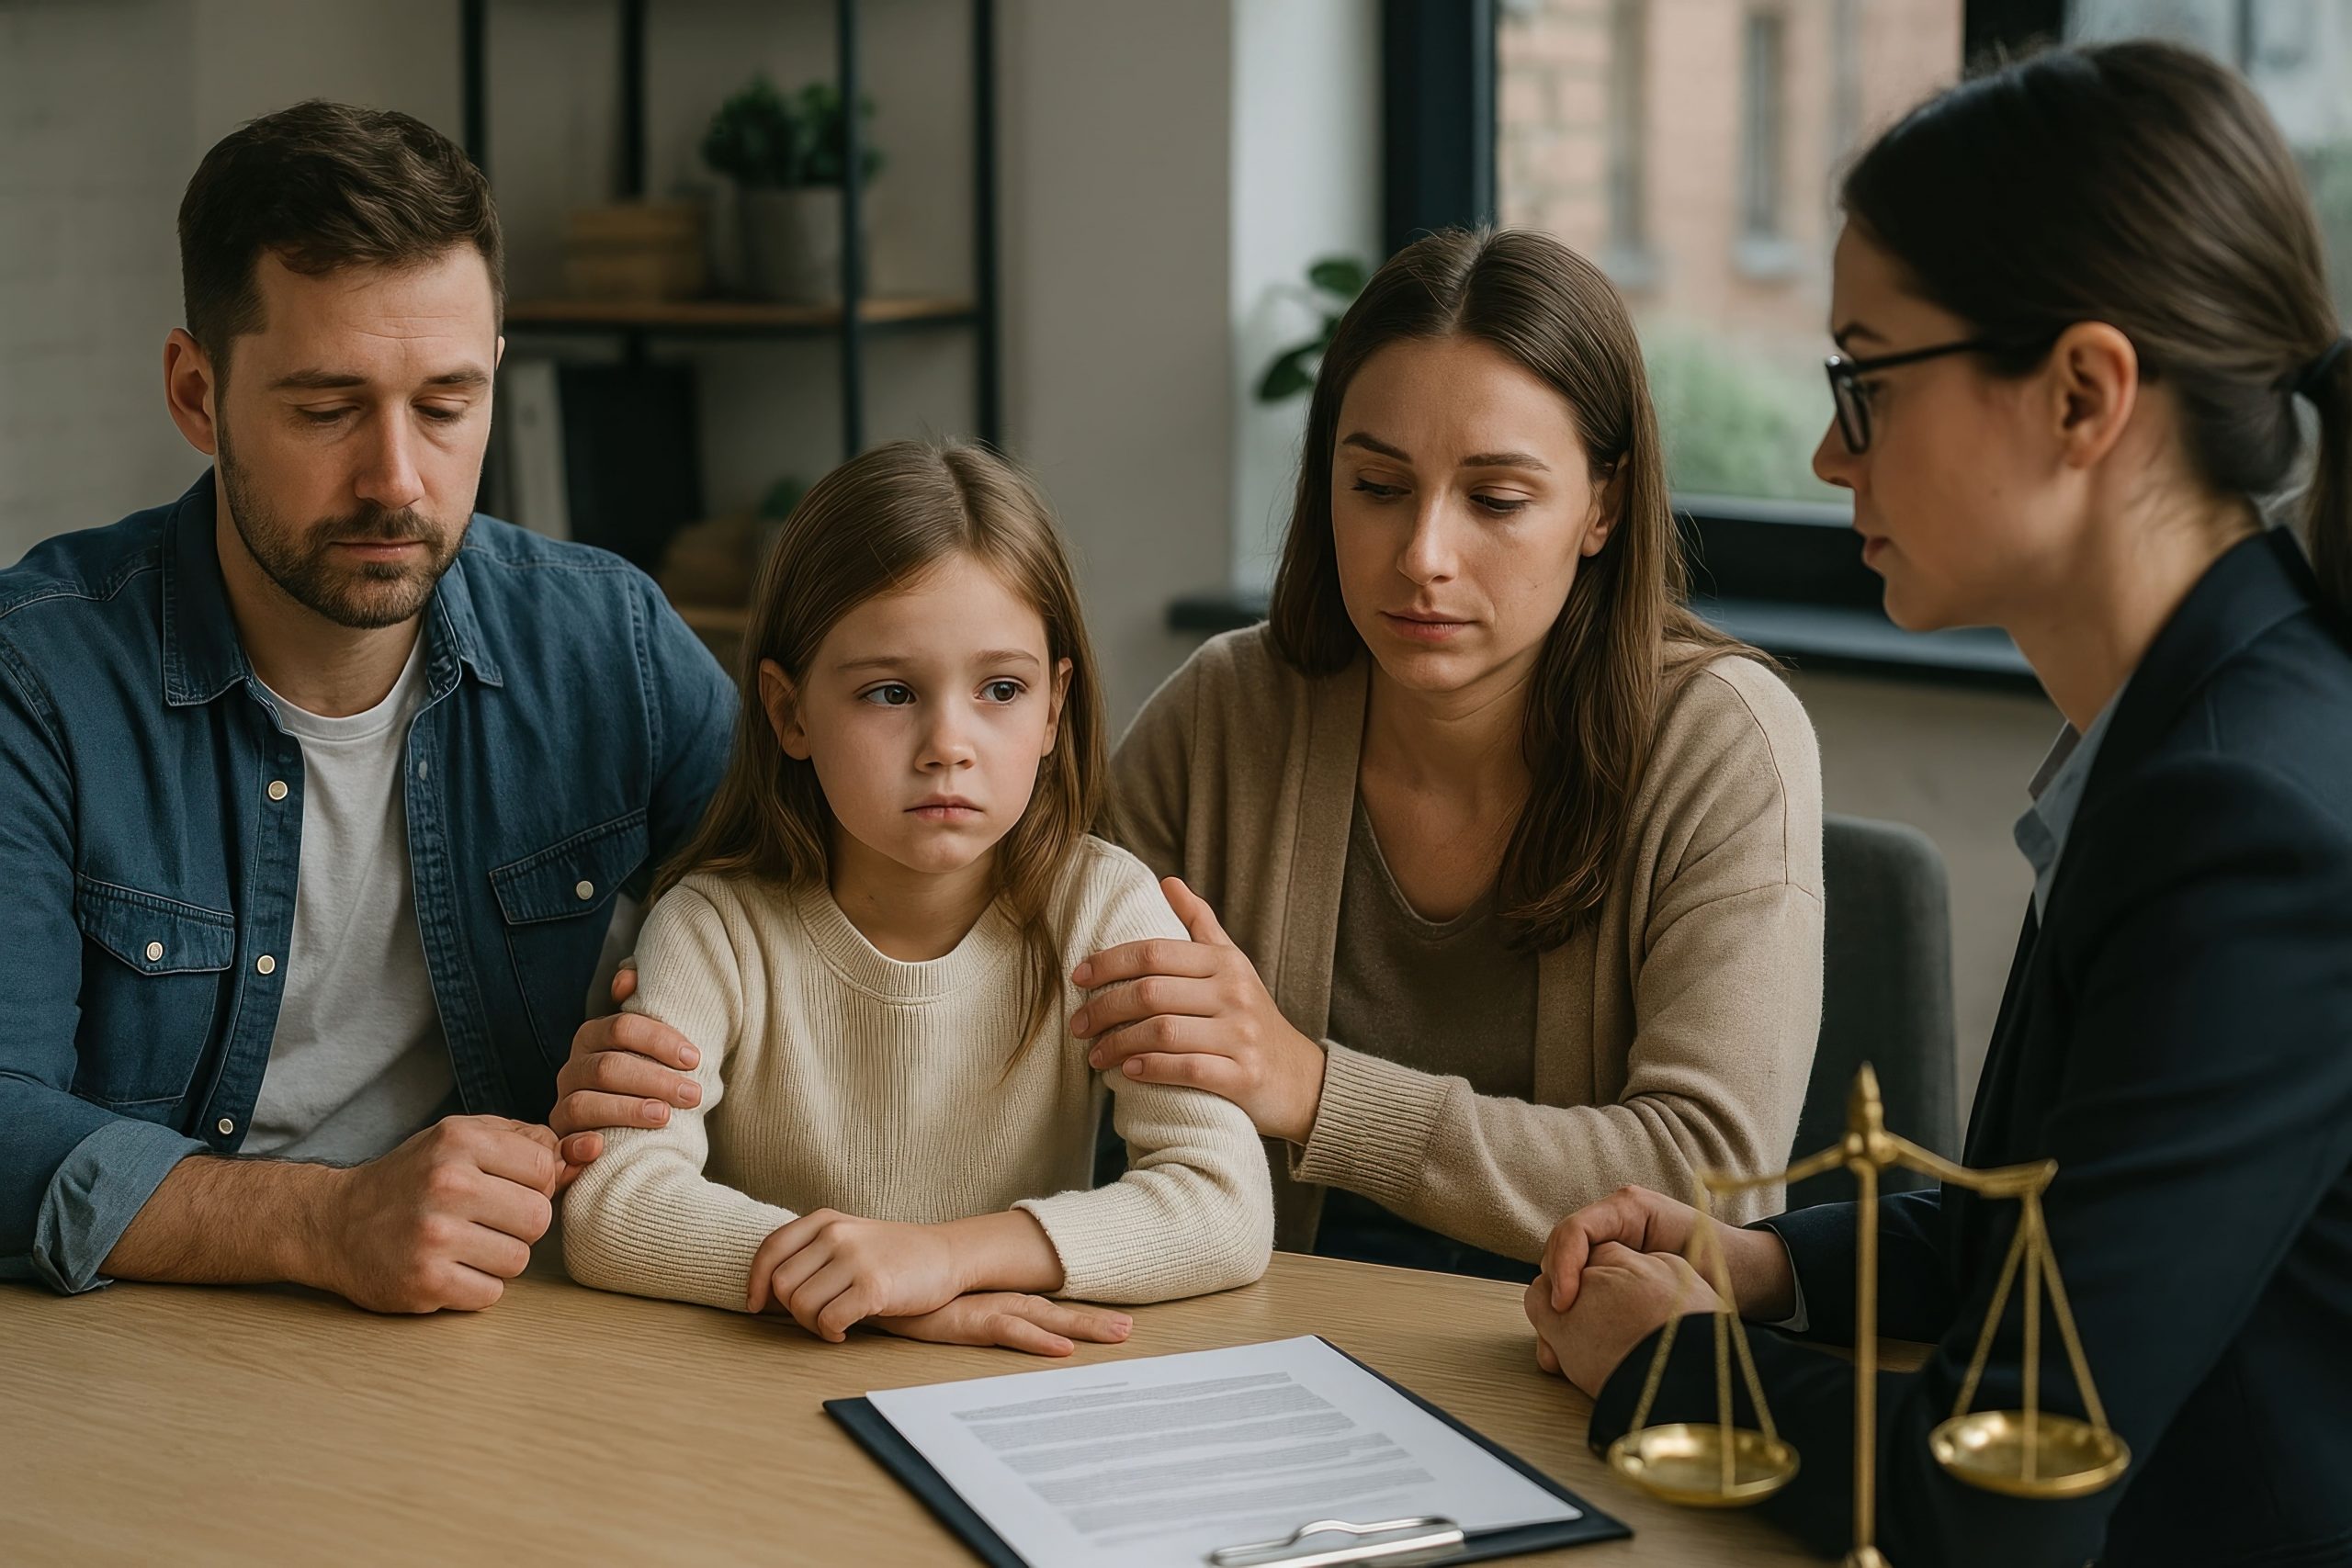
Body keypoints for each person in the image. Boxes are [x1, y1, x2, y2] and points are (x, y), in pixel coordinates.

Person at [1527, 41, 2352, 1568]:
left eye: (1868, 377)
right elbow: (2054, 1233)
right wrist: (1761, 1261)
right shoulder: (2198, 730)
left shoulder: (2248, 820)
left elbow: (1993, 1505)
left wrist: (1663, 1363)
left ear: (2082, 395)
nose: (1830, 449)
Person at [0, 101, 734, 1311]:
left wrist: (1132, 976)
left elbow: (853, 898)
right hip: (145, 1357)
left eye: (445, 405)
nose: (398, 479)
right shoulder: (38, 681)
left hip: (506, 1329)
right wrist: (324, 1219)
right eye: (328, 408)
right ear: (196, 391)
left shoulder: (611, 645)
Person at [1072, 229, 1824, 1274]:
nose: (1422, 555)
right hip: (1251, 1342)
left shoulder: (1719, 739)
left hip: (1570, 1367)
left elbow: (1706, 1175)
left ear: (1600, 505)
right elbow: (1026, 1048)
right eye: (1377, 488)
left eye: (1496, 500)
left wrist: (1313, 1090)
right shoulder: (1226, 711)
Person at [560, 440, 1272, 1356]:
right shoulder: (712, 928)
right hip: (763, 1386)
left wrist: (945, 1260)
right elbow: (614, 1205)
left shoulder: (1102, 906)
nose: (948, 743)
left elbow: (1224, 1206)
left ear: (1053, 709)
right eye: (891, 692)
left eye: (1001, 690)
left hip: (1008, 1392)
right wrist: (884, 1292)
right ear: (789, 715)